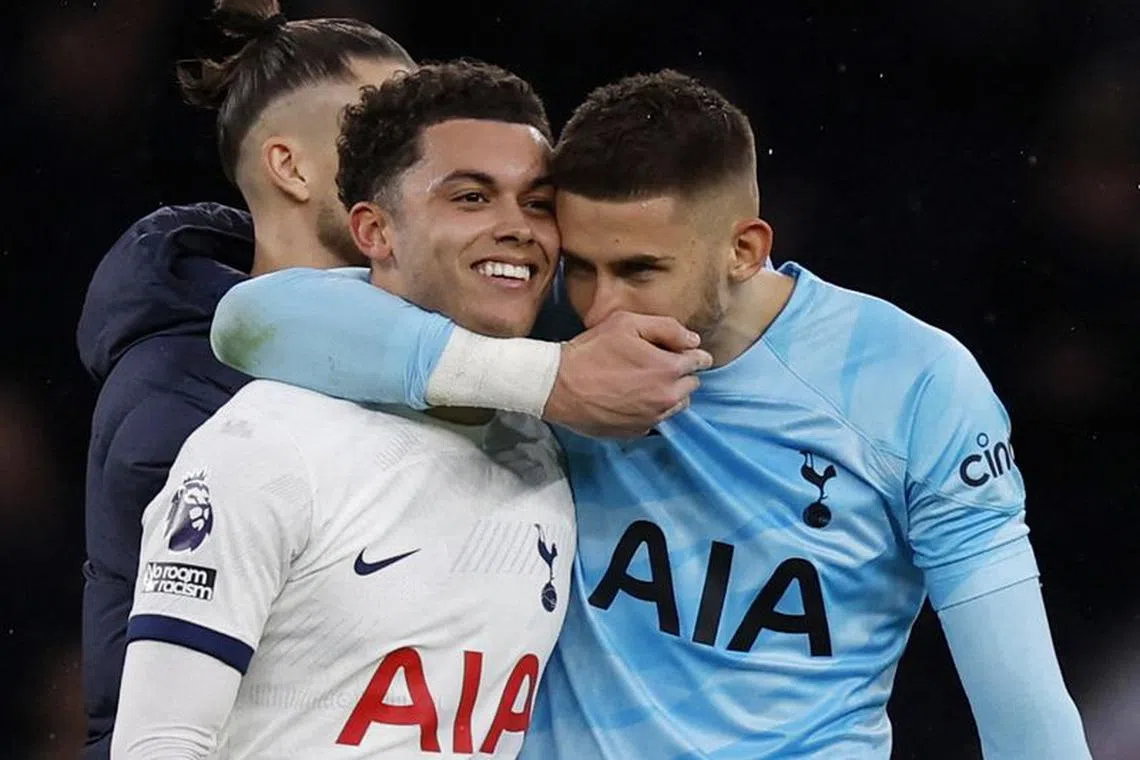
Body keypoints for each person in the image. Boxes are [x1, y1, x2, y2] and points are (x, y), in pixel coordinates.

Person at [209, 70, 1093, 758]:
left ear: (745, 249)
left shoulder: (913, 384)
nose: (601, 307)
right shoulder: (548, 336)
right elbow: (250, 321)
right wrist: (548, 379)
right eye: (582, 267)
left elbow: (1024, 714)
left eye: (639, 271)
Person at [112, 60, 576, 760]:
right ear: (375, 231)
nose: (518, 227)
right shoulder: (267, 445)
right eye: (472, 198)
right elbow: (161, 741)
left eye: (538, 203)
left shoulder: (544, 452)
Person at [76, 2, 415, 756]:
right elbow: (153, 720)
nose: (422, 167)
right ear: (289, 167)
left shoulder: (431, 361)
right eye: (387, 139)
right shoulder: (182, 393)